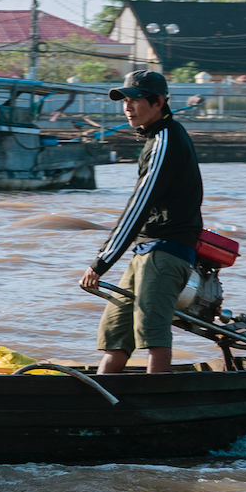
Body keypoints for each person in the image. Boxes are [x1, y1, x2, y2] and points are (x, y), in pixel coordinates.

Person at [77, 69, 204, 375]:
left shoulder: (165, 140)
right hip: (144, 251)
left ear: (158, 102)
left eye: (134, 100)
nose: (127, 107)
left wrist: (101, 262)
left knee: (152, 335)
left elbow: (138, 206)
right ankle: (102, 402)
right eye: (124, 100)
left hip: (165, 251)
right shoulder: (156, 138)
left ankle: (153, 407)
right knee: (115, 337)